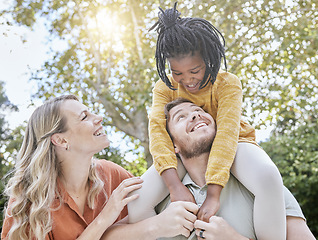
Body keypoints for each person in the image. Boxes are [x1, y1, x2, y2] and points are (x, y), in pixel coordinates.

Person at [143, 2, 286, 240]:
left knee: (267, 175)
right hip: (186, 150)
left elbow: (227, 134)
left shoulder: (228, 83)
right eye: (177, 73)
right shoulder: (164, 87)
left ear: (208, 60)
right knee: (138, 200)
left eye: (195, 71)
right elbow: (157, 132)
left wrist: (213, 193)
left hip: (235, 142)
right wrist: (174, 187)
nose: (187, 80)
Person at [104, 98, 315, 240]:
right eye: (181, 117)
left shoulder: (262, 188)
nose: (195, 116)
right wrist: (157, 225)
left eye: (199, 111)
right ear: (173, 146)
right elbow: (106, 236)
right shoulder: (160, 202)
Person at [1, 95, 144, 240]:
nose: (99, 117)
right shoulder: (28, 203)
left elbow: (154, 204)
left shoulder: (112, 174)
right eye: (84, 117)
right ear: (61, 140)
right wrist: (104, 218)